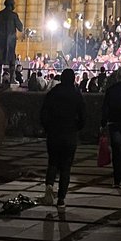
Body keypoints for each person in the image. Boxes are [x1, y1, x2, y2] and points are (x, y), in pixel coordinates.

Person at [39, 69, 85, 208]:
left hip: (54, 132)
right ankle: (61, 198)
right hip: (69, 133)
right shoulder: (76, 94)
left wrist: (47, 128)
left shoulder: (53, 93)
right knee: (66, 167)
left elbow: (43, 113)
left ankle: (49, 185)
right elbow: (83, 116)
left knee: (53, 162)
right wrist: (77, 127)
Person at [0, 0, 24, 81]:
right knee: (12, 61)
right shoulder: (14, 15)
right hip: (10, 42)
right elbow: (20, 28)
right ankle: (12, 79)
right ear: (11, 5)